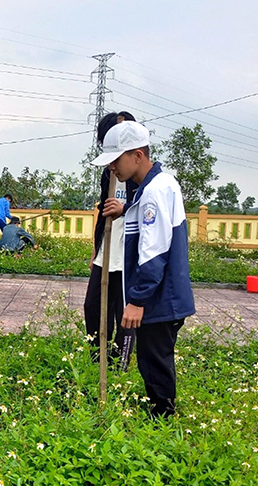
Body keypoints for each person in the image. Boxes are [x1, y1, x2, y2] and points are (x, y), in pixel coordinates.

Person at [94, 121, 195, 418]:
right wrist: (126, 209)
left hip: (158, 298)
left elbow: (155, 253)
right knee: (154, 359)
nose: (112, 167)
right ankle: (161, 413)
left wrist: (137, 300)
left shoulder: (154, 191)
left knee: (154, 362)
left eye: (116, 159)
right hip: (161, 296)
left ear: (137, 155)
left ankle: (163, 420)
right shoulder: (155, 186)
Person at [84, 111, 138, 367]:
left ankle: (121, 362)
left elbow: (146, 209)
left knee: (124, 312)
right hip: (107, 248)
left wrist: (125, 208)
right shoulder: (109, 173)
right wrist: (96, 250)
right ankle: (97, 357)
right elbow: (102, 212)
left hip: (128, 250)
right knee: (92, 306)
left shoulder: (142, 175)